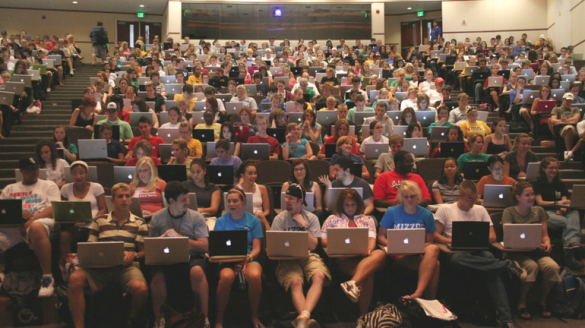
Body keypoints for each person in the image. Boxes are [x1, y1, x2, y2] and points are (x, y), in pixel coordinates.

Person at [433, 180, 526, 328]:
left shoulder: (480, 210)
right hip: (457, 252)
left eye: (475, 198)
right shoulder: (445, 209)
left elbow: (493, 237)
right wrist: (454, 240)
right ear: (460, 195)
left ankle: (506, 320)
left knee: (490, 263)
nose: (473, 202)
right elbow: (436, 236)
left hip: (479, 251)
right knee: (459, 261)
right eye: (469, 199)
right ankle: (506, 266)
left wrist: (477, 239)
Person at [68, 183, 149, 328]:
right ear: (113, 200)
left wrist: (134, 254)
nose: (124, 199)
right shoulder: (100, 220)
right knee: (75, 279)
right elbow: (90, 246)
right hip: (100, 267)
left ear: (131, 199)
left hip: (126, 267)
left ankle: (131, 319)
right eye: (120, 196)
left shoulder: (139, 222)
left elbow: (144, 252)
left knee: (141, 288)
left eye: (127, 196)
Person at [149, 182, 210, 328]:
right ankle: (159, 320)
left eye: (187, 198)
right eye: (183, 200)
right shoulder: (157, 217)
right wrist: (161, 238)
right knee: (157, 276)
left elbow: (204, 246)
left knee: (197, 271)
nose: (188, 202)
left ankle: (204, 317)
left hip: (192, 257)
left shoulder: (196, 217)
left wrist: (182, 240)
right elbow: (150, 247)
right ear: (171, 201)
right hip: (166, 258)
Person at [271, 184, 332, 328]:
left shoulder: (311, 218)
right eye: (286, 197)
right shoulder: (279, 219)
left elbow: (312, 246)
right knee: (295, 283)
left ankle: (302, 319)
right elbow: (275, 247)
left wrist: (304, 226)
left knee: (319, 276)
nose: (287, 201)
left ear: (300, 201)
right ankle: (306, 320)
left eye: (291, 198)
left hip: (307, 255)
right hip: (286, 258)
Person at [0, 157, 59, 297]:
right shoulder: (10, 189)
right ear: (21, 171)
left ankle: (47, 278)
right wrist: (19, 214)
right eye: (29, 169)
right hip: (15, 227)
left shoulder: (48, 185)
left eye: (36, 168)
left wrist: (31, 219)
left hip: (42, 222)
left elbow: (53, 209)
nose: (34, 172)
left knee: (36, 227)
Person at [321, 188, 386, 315]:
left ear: (358, 205)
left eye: (353, 205)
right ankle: (363, 316)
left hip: (365, 256)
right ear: (341, 204)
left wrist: (369, 249)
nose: (350, 208)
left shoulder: (367, 219)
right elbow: (323, 240)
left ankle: (352, 283)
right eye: (347, 205)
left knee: (380, 253)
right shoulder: (332, 219)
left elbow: (372, 239)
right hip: (345, 258)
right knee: (368, 273)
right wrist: (337, 244)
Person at [503, 181, 560, 320]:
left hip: (536, 251)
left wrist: (547, 242)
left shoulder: (539, 211)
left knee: (553, 267)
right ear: (518, 197)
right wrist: (528, 244)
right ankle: (522, 302)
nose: (532, 197)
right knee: (531, 267)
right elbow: (509, 237)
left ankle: (542, 301)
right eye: (527, 195)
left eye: (533, 194)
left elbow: (545, 234)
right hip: (517, 253)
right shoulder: (509, 212)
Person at [377, 180, 440, 304]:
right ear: (401, 197)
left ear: (417, 196)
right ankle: (429, 301)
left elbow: (430, 242)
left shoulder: (426, 214)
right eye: (406, 197)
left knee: (434, 249)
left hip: (418, 252)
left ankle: (420, 294)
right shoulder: (392, 212)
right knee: (436, 265)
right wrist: (392, 244)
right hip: (399, 255)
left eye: (412, 196)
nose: (410, 199)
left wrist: (416, 247)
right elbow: (380, 236)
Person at [214, 188, 264, 328]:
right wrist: (232, 261)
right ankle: (219, 319)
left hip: (248, 258)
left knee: (254, 276)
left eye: (235, 201)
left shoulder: (253, 220)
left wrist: (247, 259)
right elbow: (218, 248)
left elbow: (257, 249)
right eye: (229, 201)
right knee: (226, 277)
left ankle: (254, 316)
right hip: (227, 259)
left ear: (243, 201)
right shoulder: (221, 221)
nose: (231, 204)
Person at [532, 157, 584, 269]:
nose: (554, 170)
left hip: (558, 212)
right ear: (544, 169)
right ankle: (570, 249)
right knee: (571, 223)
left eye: (556, 168)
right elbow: (540, 202)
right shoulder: (537, 184)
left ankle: (570, 247)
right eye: (551, 168)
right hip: (544, 213)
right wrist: (557, 203)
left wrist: (562, 208)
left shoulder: (560, 183)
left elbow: (564, 201)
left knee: (574, 212)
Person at [59, 161, 107, 268]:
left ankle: (90, 265)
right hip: (75, 224)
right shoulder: (65, 188)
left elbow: (103, 208)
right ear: (71, 175)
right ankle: (67, 266)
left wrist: (95, 219)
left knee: (92, 234)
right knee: (64, 236)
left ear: (86, 174)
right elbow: (64, 209)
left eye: (81, 173)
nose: (78, 176)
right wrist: (72, 217)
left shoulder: (96, 187)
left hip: (93, 223)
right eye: (75, 173)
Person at [236, 161, 272, 230]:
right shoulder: (236, 190)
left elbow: (267, 211)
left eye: (255, 173)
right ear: (242, 175)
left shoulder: (262, 188)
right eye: (250, 173)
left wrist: (259, 216)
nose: (253, 176)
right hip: (242, 219)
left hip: (259, 218)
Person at [549, 93, 581, 159]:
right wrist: (561, 120)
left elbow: (576, 118)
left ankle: (569, 152)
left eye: (570, 101)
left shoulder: (575, 109)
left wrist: (566, 120)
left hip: (574, 128)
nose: (569, 102)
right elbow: (553, 120)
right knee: (568, 128)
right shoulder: (557, 109)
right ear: (563, 100)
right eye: (567, 100)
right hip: (561, 128)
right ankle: (568, 152)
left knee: (570, 128)